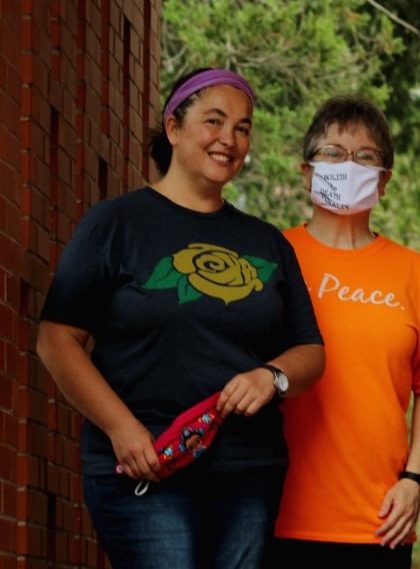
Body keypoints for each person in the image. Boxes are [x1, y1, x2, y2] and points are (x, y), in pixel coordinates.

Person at [36, 68, 326, 568]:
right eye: (214, 121)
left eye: (242, 127)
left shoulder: (267, 242)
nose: (229, 139)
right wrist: (121, 430)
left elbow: (310, 351)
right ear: (173, 127)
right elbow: (56, 341)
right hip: (146, 466)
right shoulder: (114, 224)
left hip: (248, 471)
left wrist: (270, 377)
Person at [270, 96, 420, 568]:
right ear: (307, 172)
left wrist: (415, 480)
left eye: (365, 157)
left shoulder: (416, 275)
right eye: (332, 152)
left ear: (384, 180)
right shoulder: (270, 257)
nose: (347, 165)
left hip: (380, 523)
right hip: (270, 514)